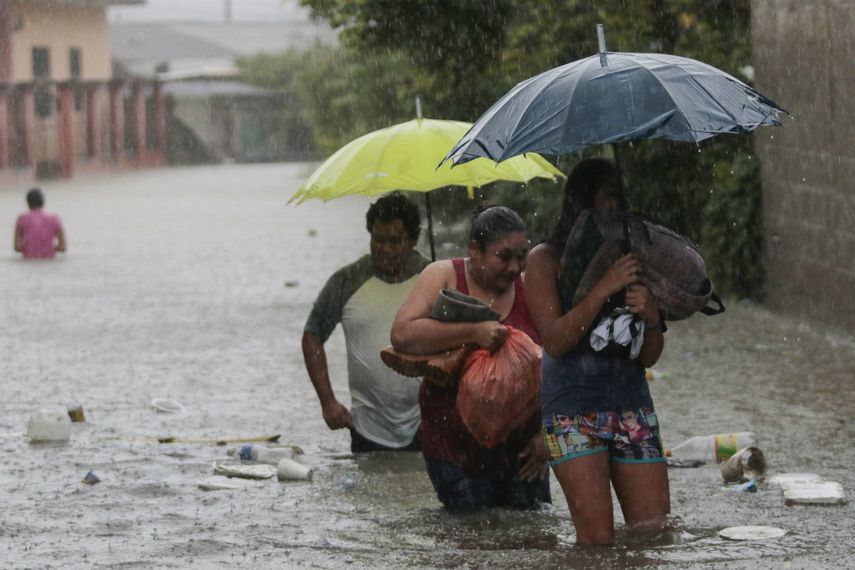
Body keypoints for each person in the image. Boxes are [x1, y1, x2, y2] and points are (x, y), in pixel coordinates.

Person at [524, 158, 670, 545]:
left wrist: (653, 317)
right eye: (609, 197)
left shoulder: (635, 259)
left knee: (654, 536)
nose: (618, 207)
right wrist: (604, 287)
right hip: (572, 412)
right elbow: (554, 341)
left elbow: (649, 356)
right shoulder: (545, 260)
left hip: (632, 406)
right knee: (597, 545)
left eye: (623, 198)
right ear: (582, 203)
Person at [391, 206, 551, 513]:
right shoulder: (444, 275)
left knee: (533, 542)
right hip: (452, 446)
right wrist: (473, 332)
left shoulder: (530, 287)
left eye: (522, 255)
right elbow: (402, 333)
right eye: (503, 257)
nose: (514, 267)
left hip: (523, 449)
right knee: (470, 542)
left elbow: (556, 360)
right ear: (474, 250)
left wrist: (547, 435)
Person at [302, 192, 430, 453]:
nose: (385, 249)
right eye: (377, 239)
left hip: (428, 423)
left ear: (414, 240)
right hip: (367, 428)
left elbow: (463, 341)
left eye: (395, 241)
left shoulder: (433, 278)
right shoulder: (347, 281)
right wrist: (328, 402)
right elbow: (312, 336)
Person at [14, 188, 66, 259]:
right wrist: (47, 248)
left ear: (28, 202)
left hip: (29, 259)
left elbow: (17, 247)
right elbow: (62, 247)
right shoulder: (54, 218)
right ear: (43, 202)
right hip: (49, 259)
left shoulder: (22, 218)